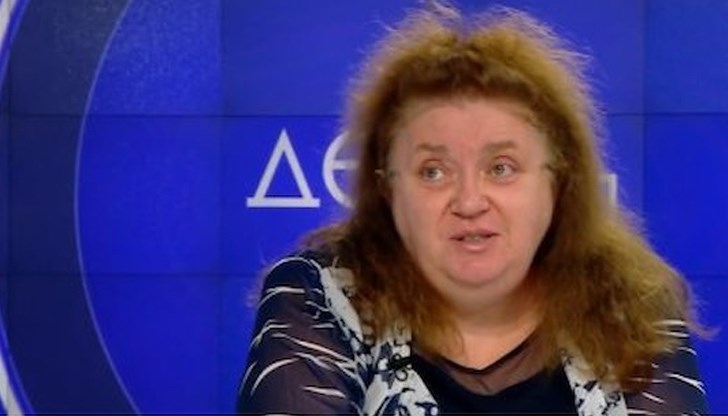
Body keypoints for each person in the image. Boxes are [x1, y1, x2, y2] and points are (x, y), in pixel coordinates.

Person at [237, 3, 708, 415]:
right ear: (387, 190)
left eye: (501, 168)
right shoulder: (319, 296)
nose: (468, 202)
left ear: (559, 182)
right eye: (432, 172)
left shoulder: (634, 309)